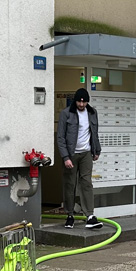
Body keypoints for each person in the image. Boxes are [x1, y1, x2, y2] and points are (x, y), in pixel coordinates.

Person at [56, 87, 103, 229]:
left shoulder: (92, 113)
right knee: (70, 184)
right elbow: (60, 137)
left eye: (84, 102)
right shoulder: (66, 113)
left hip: (86, 153)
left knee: (86, 183)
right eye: (79, 102)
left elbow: (94, 132)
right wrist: (65, 157)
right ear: (75, 101)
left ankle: (90, 215)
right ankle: (70, 215)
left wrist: (96, 150)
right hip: (71, 154)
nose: (81, 104)